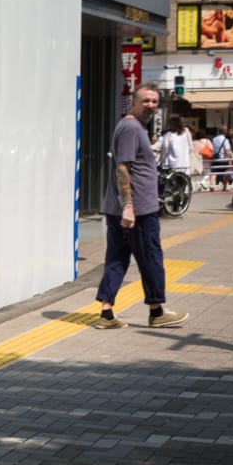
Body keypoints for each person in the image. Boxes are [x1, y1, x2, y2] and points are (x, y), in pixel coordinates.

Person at [94, 82, 189, 330]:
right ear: (134, 103)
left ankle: (106, 314)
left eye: (154, 102)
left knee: (117, 258)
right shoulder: (131, 128)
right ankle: (156, 311)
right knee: (151, 258)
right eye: (146, 101)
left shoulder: (135, 128)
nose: (151, 106)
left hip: (127, 209)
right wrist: (128, 205)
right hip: (137, 210)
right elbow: (122, 168)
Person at [211, 125, 233, 195]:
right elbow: (227, 151)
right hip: (223, 159)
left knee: (213, 172)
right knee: (226, 172)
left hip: (215, 158)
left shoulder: (214, 139)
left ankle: (212, 185)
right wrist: (230, 160)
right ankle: (225, 186)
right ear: (225, 131)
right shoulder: (225, 140)